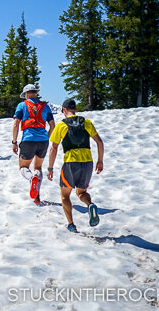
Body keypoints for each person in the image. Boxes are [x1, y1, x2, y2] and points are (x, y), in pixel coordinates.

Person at [47, 98, 104, 232]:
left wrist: (50, 168)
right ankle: (90, 205)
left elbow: (53, 148)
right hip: (88, 162)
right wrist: (100, 161)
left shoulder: (61, 125)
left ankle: (71, 224)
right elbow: (100, 142)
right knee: (81, 192)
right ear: (76, 109)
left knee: (65, 195)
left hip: (71, 163)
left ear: (64, 110)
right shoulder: (86, 122)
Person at [12, 84, 56, 205]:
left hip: (28, 140)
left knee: (23, 168)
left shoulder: (22, 105)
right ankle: (36, 197)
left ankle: (31, 179)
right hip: (43, 141)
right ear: (36, 93)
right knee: (38, 168)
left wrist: (14, 142)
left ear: (26, 94)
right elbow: (53, 125)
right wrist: (47, 137)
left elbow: (16, 124)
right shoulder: (45, 106)